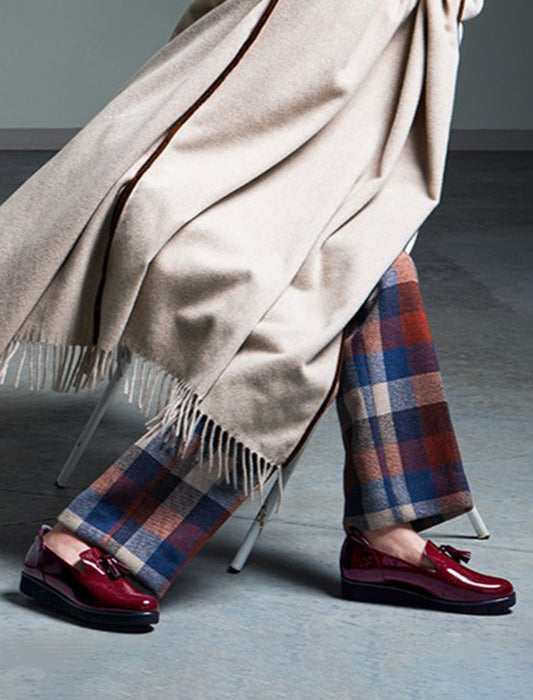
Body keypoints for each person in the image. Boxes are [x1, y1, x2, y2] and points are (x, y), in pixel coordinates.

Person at [3, 0, 516, 630]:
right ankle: (385, 535)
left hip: (319, 203)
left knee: (368, 269)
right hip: (200, 196)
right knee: (303, 324)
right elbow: (222, 79)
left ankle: (387, 538)